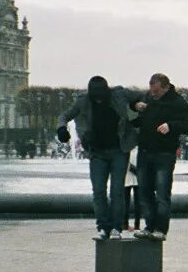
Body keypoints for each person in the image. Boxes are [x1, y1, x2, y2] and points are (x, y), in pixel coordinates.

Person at [56, 75, 139, 240]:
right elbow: (64, 116)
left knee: (117, 192)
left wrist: (136, 106)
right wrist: (61, 129)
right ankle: (103, 227)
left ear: (106, 91)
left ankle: (116, 228)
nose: (98, 99)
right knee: (99, 191)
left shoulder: (120, 94)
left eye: (101, 95)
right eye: (95, 96)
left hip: (119, 150)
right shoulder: (83, 101)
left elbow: (143, 96)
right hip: (97, 152)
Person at [131, 74, 188, 242]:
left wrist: (171, 126)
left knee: (162, 193)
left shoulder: (178, 102)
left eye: (156, 91)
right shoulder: (148, 98)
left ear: (166, 87)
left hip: (164, 154)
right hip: (145, 152)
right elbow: (138, 118)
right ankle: (149, 227)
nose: (153, 94)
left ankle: (160, 229)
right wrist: (134, 106)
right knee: (144, 192)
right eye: (151, 91)